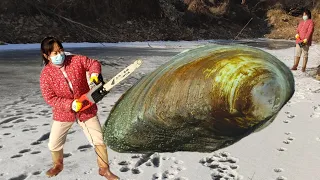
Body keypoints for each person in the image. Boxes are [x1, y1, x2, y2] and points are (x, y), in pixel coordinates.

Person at [39, 36, 119, 180]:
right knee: (53, 143)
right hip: (64, 113)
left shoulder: (76, 60)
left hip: (86, 108)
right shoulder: (46, 75)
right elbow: (49, 98)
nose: (60, 54)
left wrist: (94, 74)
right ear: (47, 56)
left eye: (61, 50)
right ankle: (58, 164)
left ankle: (104, 168)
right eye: (55, 53)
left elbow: (93, 63)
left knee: (98, 139)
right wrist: (70, 104)